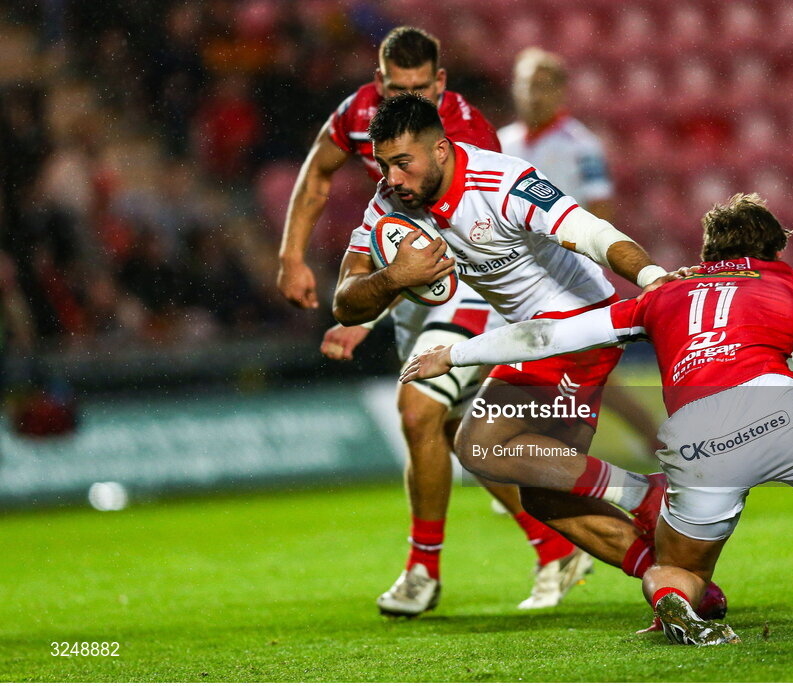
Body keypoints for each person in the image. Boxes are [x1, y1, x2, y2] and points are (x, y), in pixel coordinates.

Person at [402, 193, 793, 645]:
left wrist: (455, 353)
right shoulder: (790, 283)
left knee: (677, 569)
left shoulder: (663, 292)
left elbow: (550, 335)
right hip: (783, 416)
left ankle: (675, 603)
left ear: (706, 250)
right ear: (771, 248)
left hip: (701, 438)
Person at [331, 92, 728, 620]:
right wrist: (392, 278)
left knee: (480, 444)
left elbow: (589, 232)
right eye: (384, 165)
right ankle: (675, 579)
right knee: (545, 500)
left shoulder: (503, 181)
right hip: (533, 337)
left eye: (404, 163)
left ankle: (645, 494)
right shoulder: (389, 205)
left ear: (443, 150)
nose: (393, 177)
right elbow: (346, 300)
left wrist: (652, 278)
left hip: (578, 328)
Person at [277, 26, 587, 616]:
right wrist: (292, 256)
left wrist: (367, 316)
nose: (405, 96)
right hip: (414, 280)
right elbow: (318, 174)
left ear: (439, 82)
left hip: (464, 278)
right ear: (379, 82)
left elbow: (454, 248)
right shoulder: (357, 113)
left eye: (419, 86)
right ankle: (558, 544)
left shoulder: (464, 134)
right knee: (448, 433)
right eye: (396, 86)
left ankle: (423, 572)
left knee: (418, 408)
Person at [498, 47, 662, 459]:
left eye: (542, 85)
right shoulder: (501, 143)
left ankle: (550, 458)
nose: (532, 94)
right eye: (525, 84)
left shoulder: (580, 146)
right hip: (515, 274)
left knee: (576, 367)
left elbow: (600, 212)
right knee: (569, 369)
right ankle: (652, 442)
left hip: (567, 274)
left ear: (560, 91)